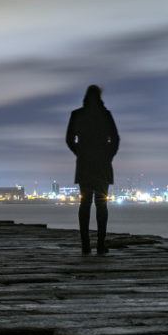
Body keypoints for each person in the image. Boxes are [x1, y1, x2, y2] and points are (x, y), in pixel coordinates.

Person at [66, 85, 119, 255]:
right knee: (101, 204)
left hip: (85, 164)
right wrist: (108, 156)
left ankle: (85, 245)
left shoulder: (77, 115)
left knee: (85, 203)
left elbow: (69, 139)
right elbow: (115, 139)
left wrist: (79, 153)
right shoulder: (105, 115)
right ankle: (101, 245)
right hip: (102, 165)